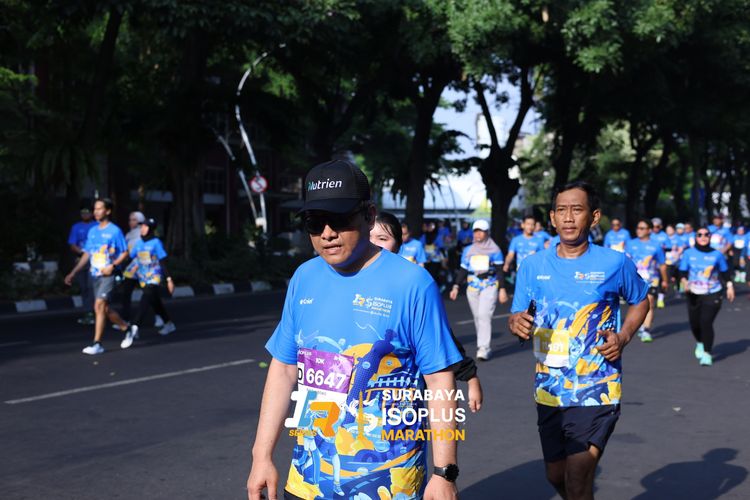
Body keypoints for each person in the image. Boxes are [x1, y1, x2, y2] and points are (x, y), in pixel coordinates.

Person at [246, 160, 463, 500]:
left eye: (340, 219)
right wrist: (262, 456)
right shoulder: (304, 277)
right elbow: (285, 368)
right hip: (307, 482)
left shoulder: (412, 283)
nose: (327, 233)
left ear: (369, 215)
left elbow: (439, 381)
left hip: (389, 486)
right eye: (315, 222)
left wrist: (444, 472)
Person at [508, 181, 649, 500]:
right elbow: (518, 313)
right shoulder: (532, 266)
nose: (568, 217)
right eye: (561, 210)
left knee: (576, 476)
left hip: (596, 386)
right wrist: (516, 322)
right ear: (552, 218)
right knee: (556, 475)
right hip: (549, 387)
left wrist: (624, 336)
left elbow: (641, 300)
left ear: (594, 216)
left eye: (577, 209)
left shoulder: (614, 263)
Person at [370, 211, 483, 413]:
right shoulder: (341, 280)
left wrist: (471, 378)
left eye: (382, 238)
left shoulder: (412, 288)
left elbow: (442, 341)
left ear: (398, 246)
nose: (374, 244)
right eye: (368, 236)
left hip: (398, 405)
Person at [64, 198, 132, 355]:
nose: (96, 212)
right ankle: (127, 328)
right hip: (94, 274)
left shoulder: (115, 231)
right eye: (95, 209)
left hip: (109, 275)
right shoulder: (93, 231)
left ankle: (97, 344)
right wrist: (73, 272)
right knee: (104, 310)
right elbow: (87, 253)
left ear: (108, 211)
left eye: (99, 208)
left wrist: (112, 266)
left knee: (98, 305)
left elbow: (125, 252)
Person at [449, 219, 509, 361]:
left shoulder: (495, 250)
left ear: (487, 233)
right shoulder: (468, 250)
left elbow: (500, 271)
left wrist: (502, 289)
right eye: (476, 231)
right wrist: (456, 286)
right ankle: (482, 344)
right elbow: (463, 270)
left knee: (484, 315)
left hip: (489, 285)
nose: (478, 234)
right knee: (477, 317)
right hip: (472, 287)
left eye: (481, 231)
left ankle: (484, 348)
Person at [678, 226, 735, 366]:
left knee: (706, 322)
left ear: (710, 237)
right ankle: (700, 342)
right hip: (693, 292)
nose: (703, 237)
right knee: (695, 323)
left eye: (706, 234)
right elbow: (682, 272)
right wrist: (684, 282)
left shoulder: (717, 254)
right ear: (695, 237)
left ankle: (707, 353)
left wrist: (730, 286)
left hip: (713, 292)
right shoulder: (688, 253)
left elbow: (725, 272)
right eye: (700, 234)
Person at [120, 217, 176, 348]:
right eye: (142, 226)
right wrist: (120, 270)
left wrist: (169, 279)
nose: (143, 229)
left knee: (145, 298)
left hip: (154, 277)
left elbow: (162, 261)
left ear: (151, 229)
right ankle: (168, 323)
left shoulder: (156, 242)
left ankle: (134, 327)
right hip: (142, 277)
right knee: (155, 302)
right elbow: (131, 258)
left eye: (146, 227)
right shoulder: (139, 243)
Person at [625, 219, 668, 342]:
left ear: (649, 230)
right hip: (634, 279)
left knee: (650, 303)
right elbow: (625, 262)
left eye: (642, 228)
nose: (639, 230)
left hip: (651, 279)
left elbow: (662, 265)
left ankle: (646, 330)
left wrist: (665, 280)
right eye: (638, 228)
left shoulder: (656, 246)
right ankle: (640, 323)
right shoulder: (631, 243)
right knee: (636, 304)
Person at [119, 211, 164, 327]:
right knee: (126, 293)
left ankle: (159, 315)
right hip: (131, 268)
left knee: (150, 294)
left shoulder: (144, 235)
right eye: (130, 220)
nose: (131, 222)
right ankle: (125, 319)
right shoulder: (128, 235)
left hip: (145, 268)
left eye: (134, 220)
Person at [68, 204, 98, 325]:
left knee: (92, 286)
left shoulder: (96, 226)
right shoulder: (76, 227)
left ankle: (95, 311)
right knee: (84, 287)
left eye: (87, 212)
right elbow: (72, 244)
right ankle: (87, 312)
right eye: (83, 213)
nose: (85, 215)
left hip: (94, 260)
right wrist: (82, 253)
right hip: (81, 259)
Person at [650, 218, 670, 308]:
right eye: (653, 226)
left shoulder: (664, 236)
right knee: (652, 281)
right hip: (650, 263)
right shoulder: (649, 235)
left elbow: (669, 247)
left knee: (663, 280)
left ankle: (660, 299)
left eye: (657, 226)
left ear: (661, 226)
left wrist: (661, 249)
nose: (655, 228)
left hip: (661, 261)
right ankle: (651, 297)